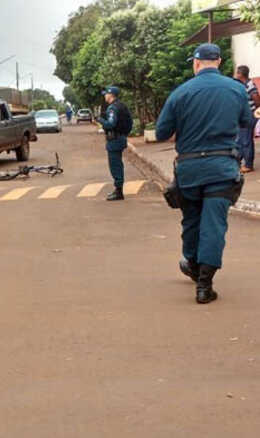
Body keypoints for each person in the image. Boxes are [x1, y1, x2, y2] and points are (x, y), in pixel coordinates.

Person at [155, 43, 252, 304]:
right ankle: (205, 285)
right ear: (219, 62)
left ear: (196, 63)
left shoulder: (180, 93)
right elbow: (246, 121)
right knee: (214, 225)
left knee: (192, 222)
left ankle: (194, 266)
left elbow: (161, 132)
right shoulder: (237, 89)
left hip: (190, 170)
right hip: (222, 168)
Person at [96, 86, 133, 201]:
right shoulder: (122, 105)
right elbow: (130, 122)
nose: (105, 96)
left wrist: (100, 120)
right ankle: (118, 189)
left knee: (115, 165)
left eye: (106, 94)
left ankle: (118, 192)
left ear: (111, 95)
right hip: (120, 138)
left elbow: (110, 124)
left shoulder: (112, 108)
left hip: (115, 140)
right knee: (118, 165)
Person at [234, 65, 259, 173]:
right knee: (239, 140)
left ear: (240, 74)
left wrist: (255, 111)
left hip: (249, 116)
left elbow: (256, 98)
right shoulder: (242, 84)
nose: (235, 74)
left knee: (246, 141)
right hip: (243, 116)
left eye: (237, 72)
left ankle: (248, 165)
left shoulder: (249, 85)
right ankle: (237, 162)